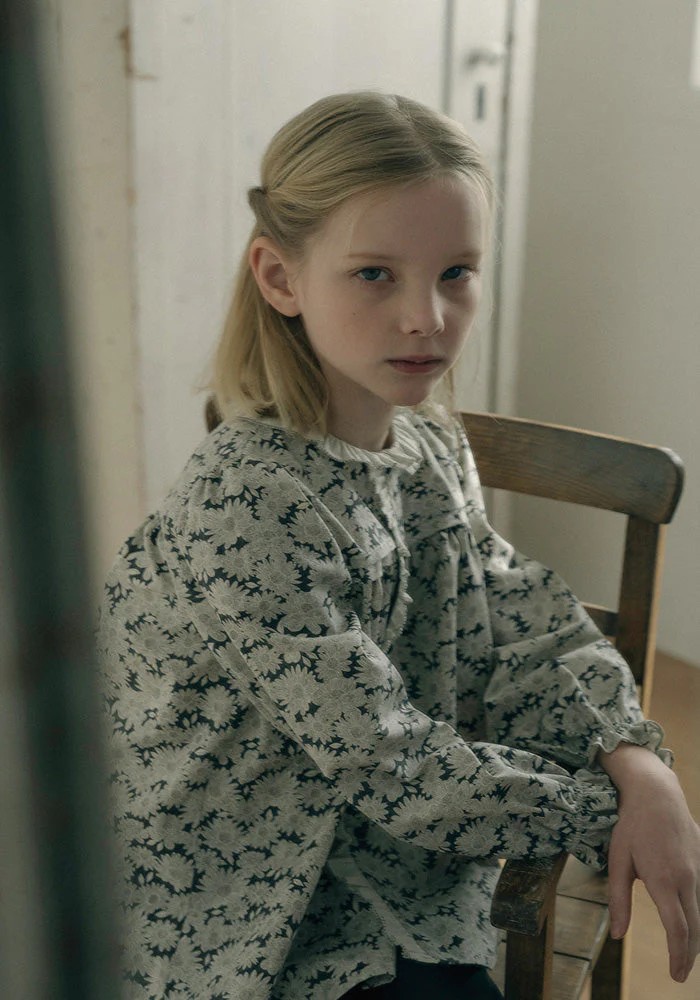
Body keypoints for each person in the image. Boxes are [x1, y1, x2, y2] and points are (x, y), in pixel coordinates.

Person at [98, 92, 700, 1000]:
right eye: (375, 274)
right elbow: (394, 764)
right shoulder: (248, 502)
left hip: (380, 859)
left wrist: (636, 758)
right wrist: (605, 810)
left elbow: (522, 614)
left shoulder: (426, 445)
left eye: (457, 272)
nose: (427, 317)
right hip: (234, 907)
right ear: (280, 278)